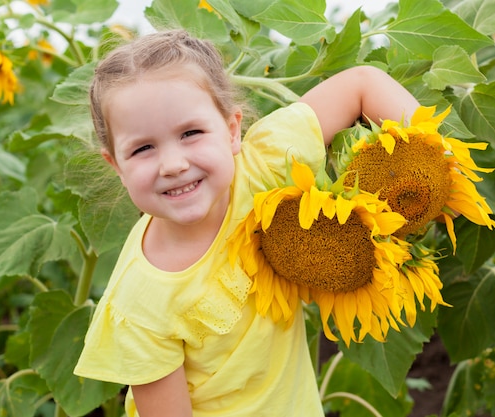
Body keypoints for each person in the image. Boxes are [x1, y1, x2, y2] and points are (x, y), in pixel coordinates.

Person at [74, 29, 420, 417]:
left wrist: (432, 159)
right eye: (143, 148)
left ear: (232, 130)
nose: (173, 164)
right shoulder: (140, 302)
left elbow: (362, 84)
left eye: (191, 133)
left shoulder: (259, 167)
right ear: (116, 166)